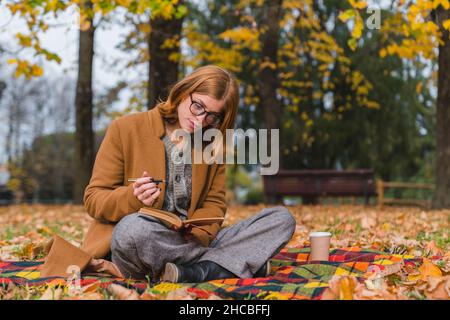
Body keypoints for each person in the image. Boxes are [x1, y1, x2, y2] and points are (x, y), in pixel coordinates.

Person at [82, 65, 296, 283]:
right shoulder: (124, 128)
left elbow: (214, 203)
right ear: (183, 92)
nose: (201, 121)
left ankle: (197, 270)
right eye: (198, 107)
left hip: (194, 241)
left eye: (213, 116)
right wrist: (131, 198)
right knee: (130, 231)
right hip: (143, 242)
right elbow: (93, 199)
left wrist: (199, 234)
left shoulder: (212, 144)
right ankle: (224, 265)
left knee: (281, 219)